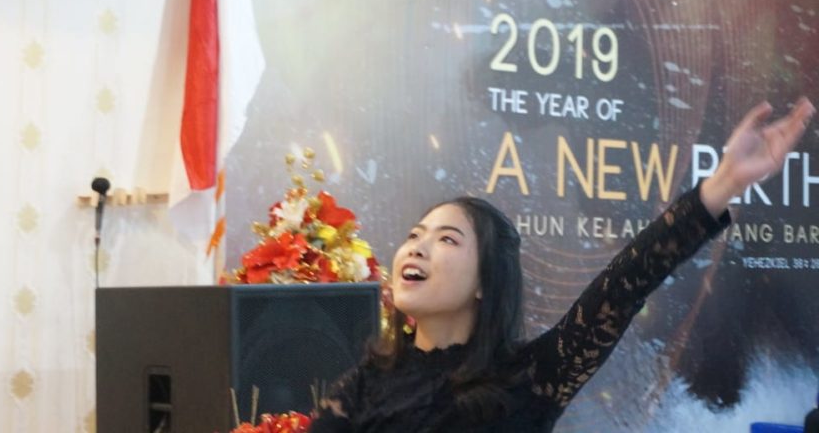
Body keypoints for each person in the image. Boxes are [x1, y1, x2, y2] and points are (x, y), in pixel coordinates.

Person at [311, 97, 815, 432]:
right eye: (413, 236)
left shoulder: (530, 378)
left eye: (446, 239)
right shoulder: (361, 385)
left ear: (487, 280)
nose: (416, 248)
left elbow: (623, 286)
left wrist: (723, 184)